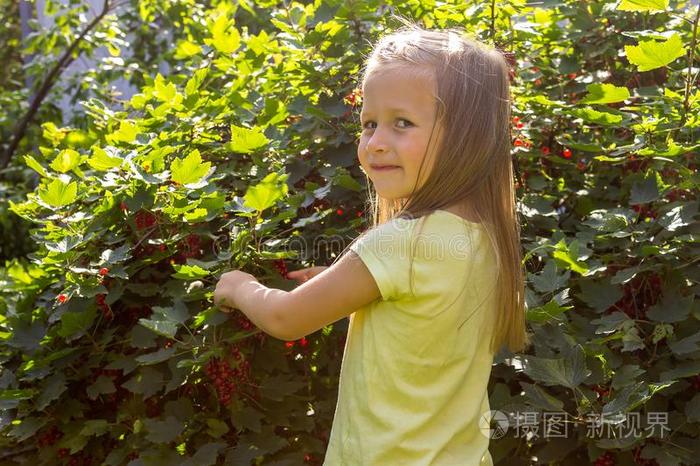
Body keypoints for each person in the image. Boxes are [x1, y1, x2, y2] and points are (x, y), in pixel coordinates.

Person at [213, 18, 529, 466]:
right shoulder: (483, 238)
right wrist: (342, 284)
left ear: (466, 139)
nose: (376, 143)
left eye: (402, 123)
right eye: (368, 124)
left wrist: (239, 286)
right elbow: (422, 322)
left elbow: (285, 318)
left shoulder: (402, 242)